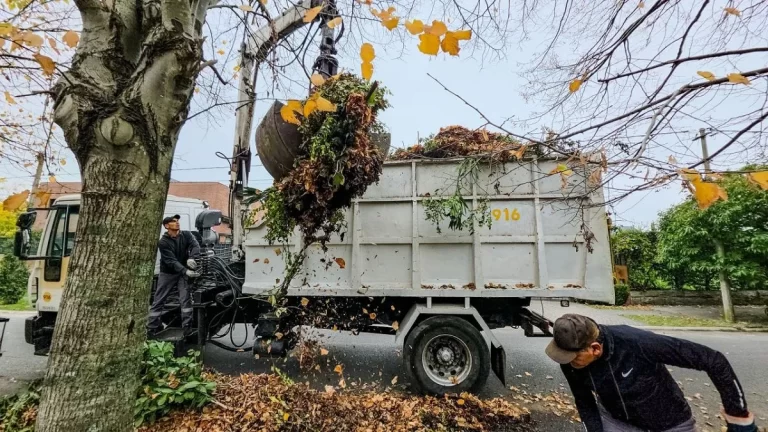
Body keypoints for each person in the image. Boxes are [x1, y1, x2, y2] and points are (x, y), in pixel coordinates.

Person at [546, 313, 758, 432]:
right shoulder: (569, 358)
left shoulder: (636, 343)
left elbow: (713, 360)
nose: (568, 363)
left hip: (670, 423)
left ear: (595, 348)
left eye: (573, 357)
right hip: (618, 422)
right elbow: (584, 401)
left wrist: (738, 416)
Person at [148, 215, 201, 337]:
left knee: (185, 300)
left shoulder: (186, 235)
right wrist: (185, 271)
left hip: (182, 273)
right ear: (167, 226)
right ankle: (152, 328)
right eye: (173, 221)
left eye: (177, 221)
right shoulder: (163, 242)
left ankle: (187, 329)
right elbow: (170, 261)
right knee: (159, 299)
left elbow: (195, 245)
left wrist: (192, 258)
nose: (177, 223)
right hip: (168, 274)